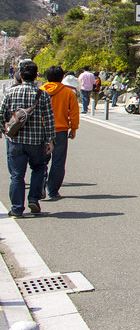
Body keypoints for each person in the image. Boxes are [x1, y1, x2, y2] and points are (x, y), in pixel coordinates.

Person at [1, 61, 55, 218]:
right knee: (38, 169)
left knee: (17, 175)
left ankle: (17, 209)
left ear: (19, 75)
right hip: (37, 141)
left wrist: (3, 128)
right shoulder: (42, 94)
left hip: (15, 140)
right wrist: (50, 140)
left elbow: (1, 113)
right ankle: (34, 199)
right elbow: (49, 119)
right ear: (36, 75)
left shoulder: (10, 93)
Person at [41, 66, 79, 200]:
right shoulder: (68, 93)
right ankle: (53, 190)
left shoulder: (40, 91)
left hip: (42, 130)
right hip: (61, 130)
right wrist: (73, 128)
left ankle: (40, 185)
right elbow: (74, 113)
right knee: (58, 161)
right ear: (62, 77)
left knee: (41, 161)